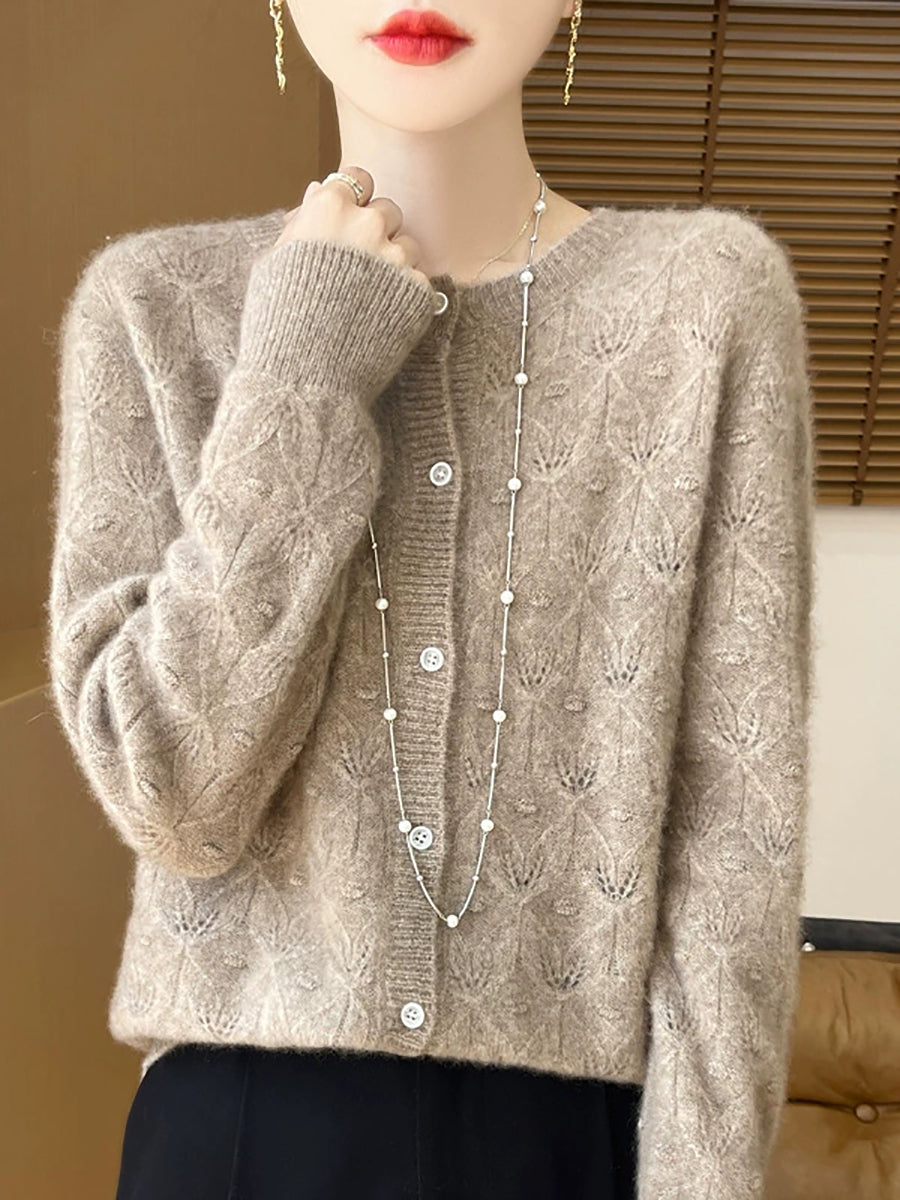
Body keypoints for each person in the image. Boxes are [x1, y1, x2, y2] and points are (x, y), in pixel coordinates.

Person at [45, 1, 817, 1198]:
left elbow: (736, 839)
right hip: (239, 1142)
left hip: (570, 1142)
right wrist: (303, 362)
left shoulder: (707, 300)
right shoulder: (152, 306)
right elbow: (176, 797)